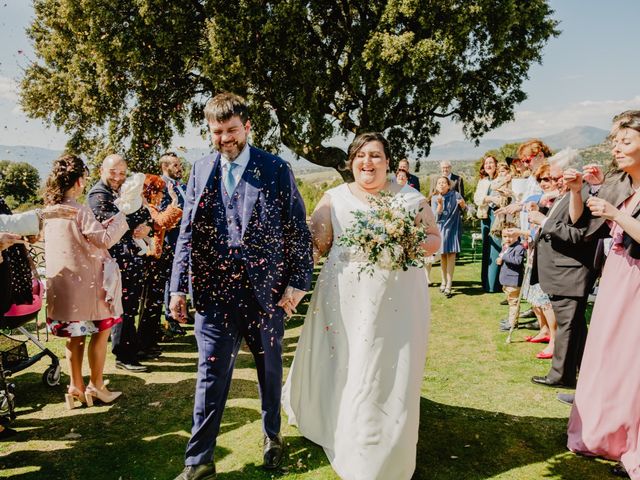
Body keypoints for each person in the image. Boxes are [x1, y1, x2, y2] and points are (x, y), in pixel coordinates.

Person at [169, 92, 313, 480]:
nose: (225, 139)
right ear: (209, 131)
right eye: (217, 132)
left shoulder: (275, 168)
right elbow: (187, 233)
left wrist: (297, 285)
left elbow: (297, 231)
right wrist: (178, 288)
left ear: (247, 127)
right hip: (214, 297)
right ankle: (199, 461)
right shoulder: (199, 169)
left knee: (269, 370)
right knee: (209, 374)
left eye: (232, 130)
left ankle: (272, 436)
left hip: (265, 293)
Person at [282, 132, 441, 480]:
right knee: (347, 361)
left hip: (398, 299)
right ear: (351, 162)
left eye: (376, 156)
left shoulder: (410, 199)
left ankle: (383, 440)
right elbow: (318, 243)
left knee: (385, 366)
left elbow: (433, 240)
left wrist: (405, 240)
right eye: (360, 156)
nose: (367, 163)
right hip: (343, 296)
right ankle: (337, 422)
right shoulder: (333, 198)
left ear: (388, 162)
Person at [566, 110, 640, 479]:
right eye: (615, 142)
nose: (617, 147)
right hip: (615, 276)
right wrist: (579, 190)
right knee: (608, 355)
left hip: (637, 281)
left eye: (625, 141)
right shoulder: (621, 183)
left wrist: (616, 213)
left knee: (632, 362)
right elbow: (581, 224)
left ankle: (632, 444)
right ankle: (606, 435)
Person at [43, 154, 131, 407]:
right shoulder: (79, 211)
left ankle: (75, 387)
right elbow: (103, 240)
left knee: (74, 337)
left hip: (61, 286)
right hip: (88, 285)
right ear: (80, 181)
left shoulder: (49, 211)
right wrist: (121, 217)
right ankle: (97, 385)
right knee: (101, 333)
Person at [88, 154, 152, 372]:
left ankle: (132, 347)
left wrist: (147, 226)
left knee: (130, 307)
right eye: (113, 172)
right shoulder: (98, 195)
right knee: (121, 307)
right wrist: (135, 217)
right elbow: (115, 222)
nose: (118, 177)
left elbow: (144, 213)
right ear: (101, 171)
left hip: (131, 258)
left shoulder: (123, 191)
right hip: (114, 260)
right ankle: (123, 355)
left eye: (122, 173)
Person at [137, 174, 182, 358]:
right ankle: (143, 344)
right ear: (152, 192)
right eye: (161, 191)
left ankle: (150, 341)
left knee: (153, 305)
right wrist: (175, 200)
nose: (163, 195)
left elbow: (166, 224)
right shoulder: (146, 207)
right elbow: (161, 222)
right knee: (149, 305)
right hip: (151, 263)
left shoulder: (150, 207)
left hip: (157, 261)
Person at [158, 152, 190, 338]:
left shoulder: (183, 186)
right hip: (171, 240)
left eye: (179, 165)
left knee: (181, 277)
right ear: (165, 167)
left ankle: (181, 311)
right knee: (171, 279)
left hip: (185, 241)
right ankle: (171, 319)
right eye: (175, 165)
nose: (179, 168)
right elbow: (162, 214)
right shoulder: (160, 187)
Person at [431, 176, 465, 297]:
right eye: (439, 183)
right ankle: (443, 281)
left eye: (444, 182)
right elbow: (435, 218)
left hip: (453, 228)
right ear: (436, 186)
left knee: (451, 255)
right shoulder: (435, 198)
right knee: (443, 256)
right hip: (441, 229)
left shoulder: (455, 195)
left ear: (449, 185)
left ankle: (449, 284)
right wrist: (440, 205)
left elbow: (464, 210)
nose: (441, 184)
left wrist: (463, 204)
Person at [473, 155, 502, 292]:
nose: (488, 165)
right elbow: (477, 199)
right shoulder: (482, 182)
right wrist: (489, 198)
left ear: (496, 165)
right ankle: (484, 282)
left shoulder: (501, 180)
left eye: (491, 163)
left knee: (496, 247)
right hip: (485, 217)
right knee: (486, 246)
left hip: (497, 216)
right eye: (486, 163)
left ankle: (494, 284)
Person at [496, 226, 526, 328]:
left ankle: (512, 323)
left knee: (514, 303)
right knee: (511, 301)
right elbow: (503, 255)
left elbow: (518, 261)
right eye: (505, 236)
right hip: (506, 280)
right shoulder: (505, 246)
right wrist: (500, 259)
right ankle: (511, 320)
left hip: (513, 281)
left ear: (517, 236)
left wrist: (504, 257)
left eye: (511, 236)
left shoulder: (519, 248)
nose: (507, 239)